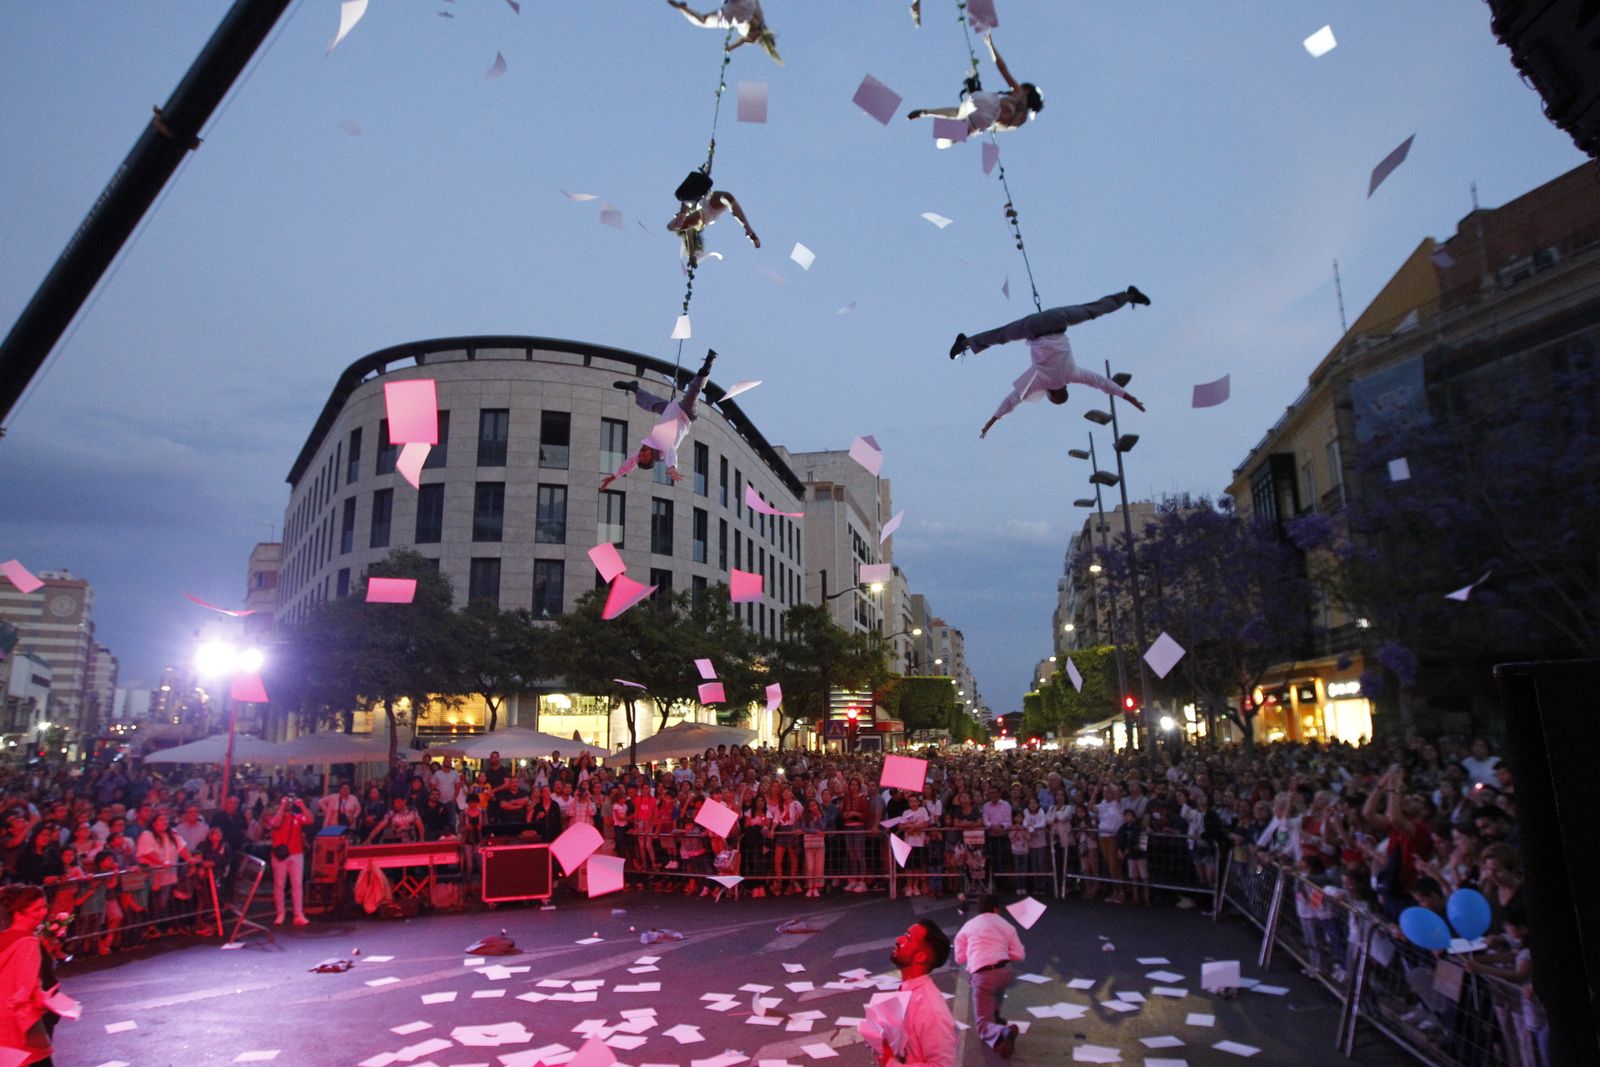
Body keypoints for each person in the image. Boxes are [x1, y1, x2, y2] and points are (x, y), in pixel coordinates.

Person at [951, 287, 1150, 437]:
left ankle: (1128, 295)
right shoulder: (1039, 381)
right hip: (1031, 328)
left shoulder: (1072, 374)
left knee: (1093, 310)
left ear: (1065, 389)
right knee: (1000, 335)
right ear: (1050, 393)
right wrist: (992, 421)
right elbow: (1012, 400)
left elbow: (1103, 383)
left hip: (1058, 319)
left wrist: (1129, 398)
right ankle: (965, 343)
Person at [601, 349, 718, 488]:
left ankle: (634, 388)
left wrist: (613, 477)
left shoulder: (646, 449)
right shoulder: (663, 448)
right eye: (644, 455)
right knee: (693, 390)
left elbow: (630, 463)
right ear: (652, 458)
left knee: (652, 403)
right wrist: (672, 467)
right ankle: (709, 363)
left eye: (641, 454)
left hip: (669, 411)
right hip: (685, 414)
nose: (642, 452)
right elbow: (671, 452)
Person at [907, 36, 1041, 135]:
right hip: (985, 119)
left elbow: (1002, 69)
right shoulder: (1021, 121)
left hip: (989, 102)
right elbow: (998, 125)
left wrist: (990, 45)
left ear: (1027, 90)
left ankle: (927, 112)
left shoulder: (1020, 93)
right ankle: (954, 133)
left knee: (961, 110)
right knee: (963, 115)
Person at [877, 918, 958, 1067]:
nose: (899, 939)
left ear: (921, 956)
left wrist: (890, 1063)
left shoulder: (931, 1010)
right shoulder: (908, 991)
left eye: (907, 938)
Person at [953, 893, 1024, 1058]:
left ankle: (1002, 1030)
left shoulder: (969, 925)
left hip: (982, 974)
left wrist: (973, 956)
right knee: (998, 983)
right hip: (1005, 970)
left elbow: (959, 957)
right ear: (996, 909)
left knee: (983, 1026)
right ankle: (996, 1015)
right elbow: (1019, 954)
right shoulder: (1007, 926)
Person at [0, 884, 59, 1065]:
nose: (42, 913)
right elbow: (24, 991)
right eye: (36, 909)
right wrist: (44, 1002)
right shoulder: (28, 942)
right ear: (18, 912)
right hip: (23, 1023)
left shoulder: (4, 938)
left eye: (44, 907)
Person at [669, 187, 759, 266]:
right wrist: (691, 256)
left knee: (727, 197)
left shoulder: (690, 201)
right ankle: (748, 229)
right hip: (705, 213)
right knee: (671, 226)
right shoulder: (691, 221)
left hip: (708, 200)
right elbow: (690, 237)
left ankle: (749, 230)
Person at [666, 0, 781, 62]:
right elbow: (741, 42)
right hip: (735, 16)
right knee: (703, 20)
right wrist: (730, 48)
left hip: (746, 4)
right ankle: (683, 9)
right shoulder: (755, 36)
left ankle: (683, 8)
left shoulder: (760, 15)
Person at [268, 794, 312, 927]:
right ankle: (280, 913)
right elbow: (275, 824)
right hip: (280, 855)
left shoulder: (297, 817)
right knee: (279, 885)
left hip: (296, 854)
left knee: (297, 885)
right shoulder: (274, 816)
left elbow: (310, 820)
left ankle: (298, 914)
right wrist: (282, 806)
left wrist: (302, 805)